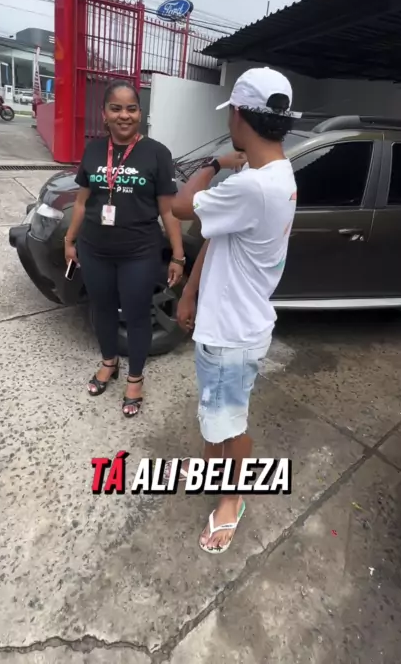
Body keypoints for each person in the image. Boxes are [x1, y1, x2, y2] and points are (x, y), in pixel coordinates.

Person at [172, 67, 298, 553]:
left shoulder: (252, 186)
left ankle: (232, 499)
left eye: (232, 115)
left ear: (240, 116)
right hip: (228, 324)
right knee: (215, 416)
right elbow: (218, 235)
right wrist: (190, 292)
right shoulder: (272, 174)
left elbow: (183, 205)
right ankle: (212, 470)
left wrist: (212, 162)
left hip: (231, 334)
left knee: (230, 424)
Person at [65, 80, 185, 417]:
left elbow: (168, 211)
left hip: (139, 252)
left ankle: (135, 377)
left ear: (140, 113)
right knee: (102, 309)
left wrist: (178, 255)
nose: (124, 115)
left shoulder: (157, 153)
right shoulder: (93, 150)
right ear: (104, 114)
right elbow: (82, 202)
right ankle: (109, 363)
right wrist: (69, 240)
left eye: (131, 108)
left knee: (136, 314)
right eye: (116, 108)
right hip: (94, 248)